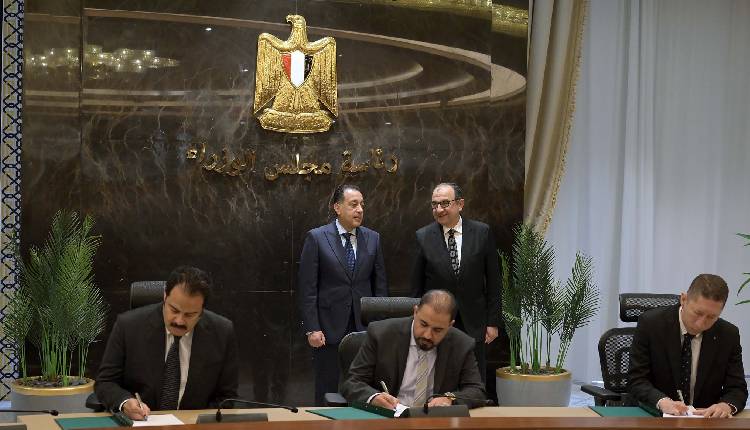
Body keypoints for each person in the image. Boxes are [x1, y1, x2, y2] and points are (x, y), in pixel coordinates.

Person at [95, 266, 239, 419]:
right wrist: (124, 402)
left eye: (190, 315)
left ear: (202, 310)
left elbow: (227, 396)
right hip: (141, 422)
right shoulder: (128, 326)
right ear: (165, 296)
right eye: (174, 310)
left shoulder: (222, 332)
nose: (179, 321)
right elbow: (105, 382)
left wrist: (200, 422)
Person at [298, 184, 388, 405]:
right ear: (337, 207)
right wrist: (312, 327)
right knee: (327, 387)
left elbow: (380, 287)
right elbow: (308, 288)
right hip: (328, 327)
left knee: (364, 388)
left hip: (364, 326)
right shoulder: (317, 237)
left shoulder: (373, 238)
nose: (360, 210)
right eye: (353, 204)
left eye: (362, 205)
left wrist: (381, 327)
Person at [410, 182, 501, 381]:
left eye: (444, 203)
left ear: (460, 204)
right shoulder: (423, 236)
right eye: (434, 205)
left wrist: (493, 323)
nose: (439, 209)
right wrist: (417, 324)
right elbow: (416, 287)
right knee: (438, 378)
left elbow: (494, 281)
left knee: (473, 379)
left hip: (474, 322)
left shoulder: (482, 232)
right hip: (436, 324)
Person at [341, 289, 486, 409]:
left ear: (450, 325)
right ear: (415, 312)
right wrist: (374, 397)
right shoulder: (381, 335)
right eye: (423, 324)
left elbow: (476, 391)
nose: (427, 335)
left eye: (437, 330)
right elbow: (352, 382)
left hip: (434, 422)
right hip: (388, 418)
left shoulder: (462, 344)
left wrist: (449, 399)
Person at [628, 274, 747, 418]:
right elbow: (637, 380)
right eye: (698, 313)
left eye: (711, 317)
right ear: (683, 299)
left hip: (705, 421)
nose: (701, 323)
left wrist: (725, 406)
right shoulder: (651, 324)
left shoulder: (728, 334)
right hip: (655, 417)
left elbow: (737, 388)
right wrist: (661, 401)